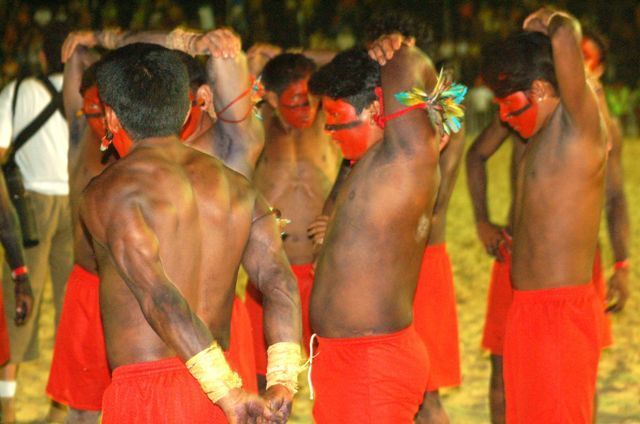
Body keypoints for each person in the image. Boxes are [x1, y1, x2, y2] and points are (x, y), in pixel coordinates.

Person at [47, 28, 272, 422]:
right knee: (82, 410)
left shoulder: (227, 149)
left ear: (200, 99)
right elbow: (128, 59)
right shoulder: (113, 138)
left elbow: (228, 59)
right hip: (119, 311)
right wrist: (114, 36)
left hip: (204, 325)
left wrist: (213, 47)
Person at [468, 25, 631, 424]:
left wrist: (553, 20)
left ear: (541, 89)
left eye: (510, 105)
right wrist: (483, 222)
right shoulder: (535, 137)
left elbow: (562, 36)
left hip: (561, 314)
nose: (504, 117)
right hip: (525, 306)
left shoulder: (583, 132)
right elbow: (477, 156)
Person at [307, 34, 457, 422]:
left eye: (337, 122)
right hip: (350, 362)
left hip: (371, 366)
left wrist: (397, 51)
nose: (332, 135)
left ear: (377, 108)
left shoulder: (405, 159)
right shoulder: (365, 166)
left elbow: (412, 67)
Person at [244, 52, 341, 389]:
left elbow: (353, 62)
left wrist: (302, 54)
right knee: (263, 378)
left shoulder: (330, 122)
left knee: (331, 374)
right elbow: (238, 86)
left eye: (310, 101)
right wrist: (258, 64)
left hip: (322, 271)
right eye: (296, 103)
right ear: (272, 97)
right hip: (269, 274)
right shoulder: (255, 129)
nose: (307, 111)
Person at [0, 22, 72, 422]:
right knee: (70, 306)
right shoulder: (86, 93)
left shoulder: (18, 92)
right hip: (77, 206)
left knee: (19, 302)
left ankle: (7, 407)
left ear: (42, 54)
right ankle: (59, 406)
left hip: (30, 207)